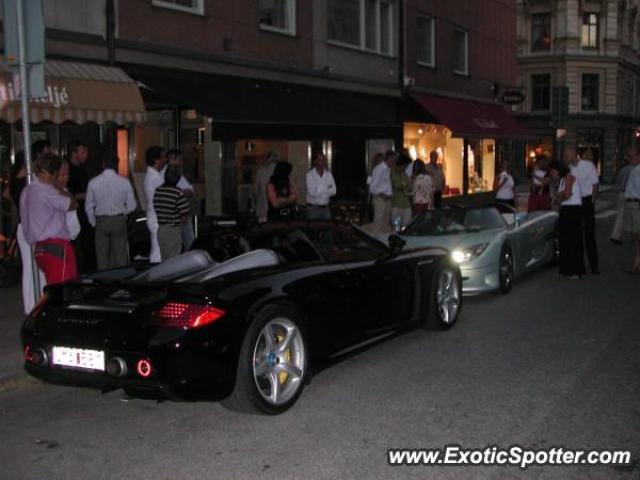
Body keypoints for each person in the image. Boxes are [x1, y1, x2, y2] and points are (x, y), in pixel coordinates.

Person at [19, 154, 78, 286]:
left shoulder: (26, 190)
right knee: (63, 291)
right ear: (53, 173)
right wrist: (60, 188)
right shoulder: (47, 190)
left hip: (39, 248)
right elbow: (72, 204)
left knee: (52, 290)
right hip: (56, 247)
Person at [85, 153, 137, 270]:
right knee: (120, 256)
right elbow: (132, 206)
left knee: (102, 257)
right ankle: (120, 283)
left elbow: (88, 206)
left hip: (101, 221)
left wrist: (93, 223)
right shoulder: (124, 182)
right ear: (116, 165)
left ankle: (104, 283)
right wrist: (123, 213)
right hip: (119, 220)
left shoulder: (93, 182)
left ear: (103, 165)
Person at [549, 161, 584, 279]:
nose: (551, 174)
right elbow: (560, 196)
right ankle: (565, 269)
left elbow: (567, 194)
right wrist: (559, 197)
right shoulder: (562, 180)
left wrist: (559, 197)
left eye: (552, 171)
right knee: (564, 240)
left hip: (573, 210)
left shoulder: (569, 177)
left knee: (573, 240)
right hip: (565, 209)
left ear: (557, 170)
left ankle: (576, 270)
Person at [66, 140, 96, 273]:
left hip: (85, 211)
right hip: (75, 213)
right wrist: (88, 195)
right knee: (79, 246)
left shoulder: (82, 168)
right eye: (82, 152)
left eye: (86, 152)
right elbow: (69, 194)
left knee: (88, 244)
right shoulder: (68, 170)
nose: (86, 155)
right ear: (74, 153)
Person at [570, 151, 600, 274]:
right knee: (576, 234)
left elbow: (595, 184)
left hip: (586, 200)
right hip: (574, 200)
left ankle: (594, 264)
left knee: (589, 234)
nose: (565, 158)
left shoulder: (588, 166)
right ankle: (579, 264)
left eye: (567, 156)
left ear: (574, 155)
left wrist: (592, 200)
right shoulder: (569, 168)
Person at [154, 164, 190, 261]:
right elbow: (184, 217)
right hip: (172, 231)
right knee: (172, 262)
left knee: (164, 260)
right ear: (177, 178)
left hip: (161, 230)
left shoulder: (158, 191)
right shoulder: (178, 193)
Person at [166, 149, 196, 250]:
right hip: (174, 216)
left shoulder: (179, 174)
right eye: (180, 159)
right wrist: (180, 192)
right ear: (173, 159)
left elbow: (191, 190)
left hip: (179, 214)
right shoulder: (163, 174)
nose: (182, 162)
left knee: (186, 242)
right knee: (180, 245)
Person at [143, 146, 167, 263]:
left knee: (157, 248)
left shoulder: (153, 176)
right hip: (157, 217)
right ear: (157, 160)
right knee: (157, 251)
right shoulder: (155, 178)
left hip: (154, 216)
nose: (165, 160)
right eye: (163, 158)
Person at [610, 152, 634, 245]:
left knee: (621, 216)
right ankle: (634, 235)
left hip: (622, 193)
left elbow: (618, 181)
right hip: (631, 195)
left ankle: (615, 235)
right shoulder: (635, 169)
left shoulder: (623, 169)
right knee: (634, 215)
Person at [623, 148, 640, 273]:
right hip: (630, 203)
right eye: (628, 156)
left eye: (632, 156)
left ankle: (637, 261)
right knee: (634, 235)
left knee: (637, 234)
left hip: (637, 205)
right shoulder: (633, 169)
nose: (630, 159)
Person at [369, 150, 395, 233]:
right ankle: (374, 244)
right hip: (380, 199)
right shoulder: (379, 169)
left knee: (386, 225)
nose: (395, 162)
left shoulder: (388, 169)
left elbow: (386, 185)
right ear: (390, 159)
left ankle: (383, 243)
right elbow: (372, 188)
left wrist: (390, 195)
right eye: (394, 160)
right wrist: (382, 194)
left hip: (387, 200)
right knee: (378, 224)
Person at [305, 152, 336, 220]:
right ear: (315, 161)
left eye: (324, 160)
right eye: (320, 160)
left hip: (326, 209)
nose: (322, 162)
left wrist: (318, 189)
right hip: (313, 209)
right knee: (314, 230)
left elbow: (334, 191)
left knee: (327, 229)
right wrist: (327, 188)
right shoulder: (309, 175)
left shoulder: (329, 175)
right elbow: (312, 192)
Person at [253, 150, 279, 223]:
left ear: (267, 159)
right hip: (278, 212)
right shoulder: (283, 172)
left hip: (263, 211)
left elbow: (255, 191)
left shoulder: (260, 171)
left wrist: (256, 204)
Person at [390, 154, 413, 230]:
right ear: (401, 164)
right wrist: (404, 185)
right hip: (396, 205)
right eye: (405, 165)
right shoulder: (392, 172)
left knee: (406, 228)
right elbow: (397, 185)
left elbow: (410, 187)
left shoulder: (404, 174)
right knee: (396, 228)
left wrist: (404, 185)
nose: (406, 167)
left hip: (406, 205)